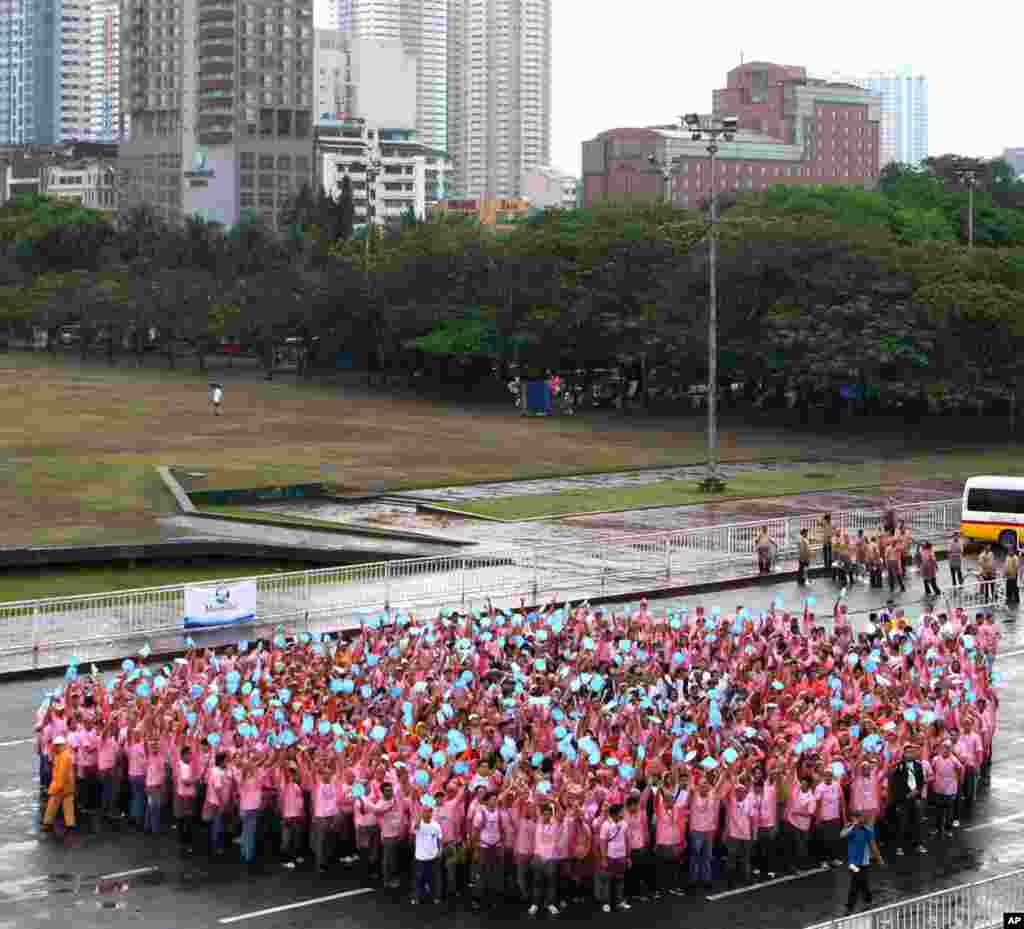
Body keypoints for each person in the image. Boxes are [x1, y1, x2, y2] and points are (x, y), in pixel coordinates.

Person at [888, 745, 926, 856]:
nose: (909, 754)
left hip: (916, 797)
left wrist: (917, 791)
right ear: (903, 754)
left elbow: (921, 781)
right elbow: (896, 784)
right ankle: (899, 846)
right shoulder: (899, 766)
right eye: (907, 752)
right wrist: (904, 796)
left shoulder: (919, 765)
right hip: (903, 799)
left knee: (918, 822)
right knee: (902, 824)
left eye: (911, 752)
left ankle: (918, 845)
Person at [841, 812, 882, 915]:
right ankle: (854, 906)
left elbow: (873, 846)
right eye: (858, 818)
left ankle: (856, 905)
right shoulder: (850, 828)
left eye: (861, 818)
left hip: (864, 863)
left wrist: (879, 858)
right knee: (856, 883)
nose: (860, 820)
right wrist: (852, 826)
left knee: (860, 883)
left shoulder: (867, 830)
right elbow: (842, 835)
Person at [42, 735, 76, 834]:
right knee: (68, 806)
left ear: (60, 745)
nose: (54, 747)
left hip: (61, 786)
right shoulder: (62, 755)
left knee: (52, 805)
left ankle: (48, 823)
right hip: (67, 785)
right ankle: (70, 825)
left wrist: (57, 787)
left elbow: (62, 773)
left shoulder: (64, 756)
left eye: (56, 746)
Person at [413, 805, 443, 905]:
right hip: (420, 858)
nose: (427, 814)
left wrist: (440, 850)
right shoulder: (418, 823)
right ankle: (418, 898)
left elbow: (439, 839)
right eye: (425, 812)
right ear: (422, 813)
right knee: (419, 879)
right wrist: (420, 813)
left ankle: (436, 897)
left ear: (432, 813)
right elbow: (415, 827)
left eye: (429, 812)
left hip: (433, 857)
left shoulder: (436, 825)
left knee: (434, 879)